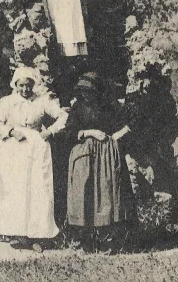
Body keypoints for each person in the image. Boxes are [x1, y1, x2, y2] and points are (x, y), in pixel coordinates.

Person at [0, 66, 68, 250]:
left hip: (37, 149)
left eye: (28, 86)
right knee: (17, 190)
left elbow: (63, 116)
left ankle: (38, 236)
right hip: (14, 150)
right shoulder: (6, 102)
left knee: (38, 189)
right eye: (21, 86)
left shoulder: (41, 101)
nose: (25, 90)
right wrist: (11, 131)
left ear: (33, 85)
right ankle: (19, 234)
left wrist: (50, 131)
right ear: (15, 84)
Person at [66, 72, 132, 252]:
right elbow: (69, 133)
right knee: (83, 195)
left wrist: (116, 137)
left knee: (106, 196)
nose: (86, 95)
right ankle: (82, 243)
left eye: (89, 91)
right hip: (83, 156)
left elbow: (129, 123)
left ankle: (106, 243)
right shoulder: (77, 108)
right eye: (83, 91)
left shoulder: (109, 106)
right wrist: (89, 132)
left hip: (106, 156)